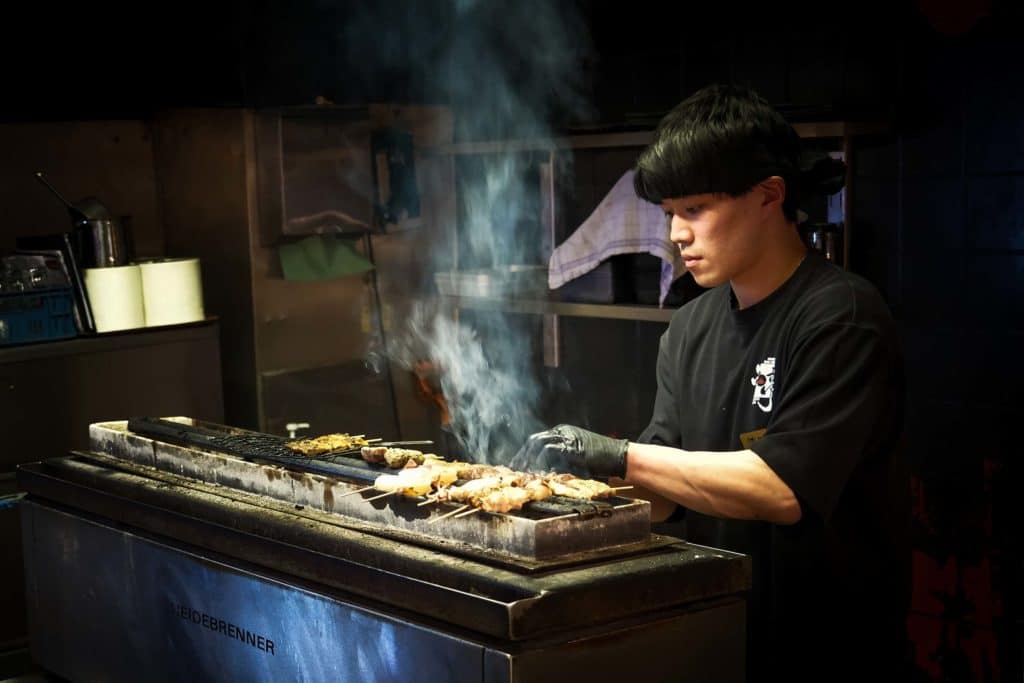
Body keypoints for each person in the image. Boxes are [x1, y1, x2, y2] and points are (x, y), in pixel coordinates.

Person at [512, 84, 910, 682]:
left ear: (769, 196)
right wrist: (567, 493)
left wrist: (619, 454)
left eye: (695, 209)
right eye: (670, 212)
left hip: (828, 647)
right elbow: (666, 491)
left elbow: (782, 488)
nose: (675, 233)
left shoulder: (841, 316)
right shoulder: (690, 328)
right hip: (716, 638)